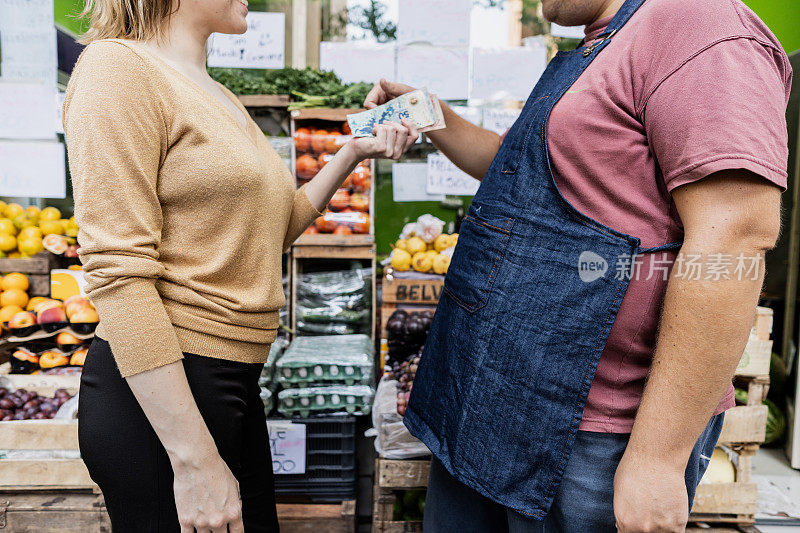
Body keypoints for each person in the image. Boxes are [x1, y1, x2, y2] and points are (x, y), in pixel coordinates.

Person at [366, 0, 791, 530]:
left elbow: (734, 239)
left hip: (584, 434)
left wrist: (658, 459)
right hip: (489, 397)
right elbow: (514, 165)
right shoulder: (605, 40)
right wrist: (425, 110)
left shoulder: (696, 21)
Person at [63, 1, 418, 531]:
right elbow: (120, 274)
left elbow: (268, 231)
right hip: (165, 396)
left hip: (233, 384)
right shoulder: (116, 69)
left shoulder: (214, 90)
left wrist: (351, 153)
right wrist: (194, 458)